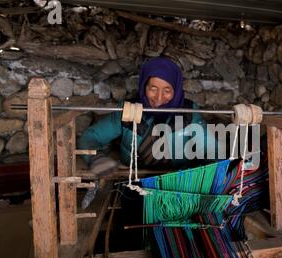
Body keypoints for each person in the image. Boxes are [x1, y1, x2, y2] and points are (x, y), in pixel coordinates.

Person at [78, 56, 214, 176]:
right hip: (134, 182)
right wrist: (96, 158)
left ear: (176, 90)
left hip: (177, 182)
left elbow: (210, 148)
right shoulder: (129, 111)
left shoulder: (188, 113)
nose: (159, 98)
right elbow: (90, 136)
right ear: (144, 87)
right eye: (153, 89)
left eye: (167, 90)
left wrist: (206, 168)